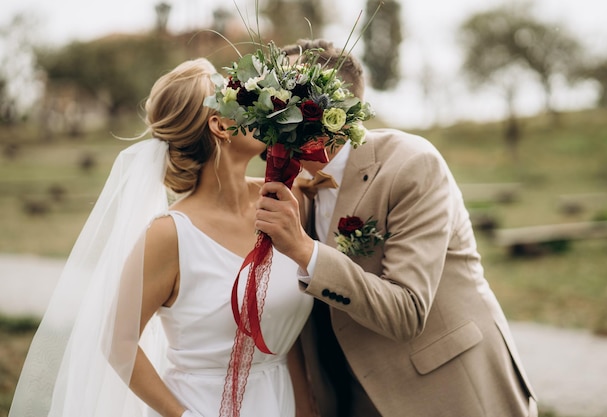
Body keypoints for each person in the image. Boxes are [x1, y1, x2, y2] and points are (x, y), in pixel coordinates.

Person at [8, 58, 312, 417]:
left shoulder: (283, 203)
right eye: (243, 99)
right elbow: (117, 343)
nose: (258, 107)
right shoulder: (170, 235)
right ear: (220, 125)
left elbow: (284, 334)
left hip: (280, 401)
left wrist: (307, 408)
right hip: (203, 405)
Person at [254, 39, 538, 417]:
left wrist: (305, 251)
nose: (267, 110)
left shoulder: (412, 165)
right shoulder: (293, 186)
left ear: (327, 108)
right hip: (349, 396)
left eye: (282, 97)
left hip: (447, 391)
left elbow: (407, 311)